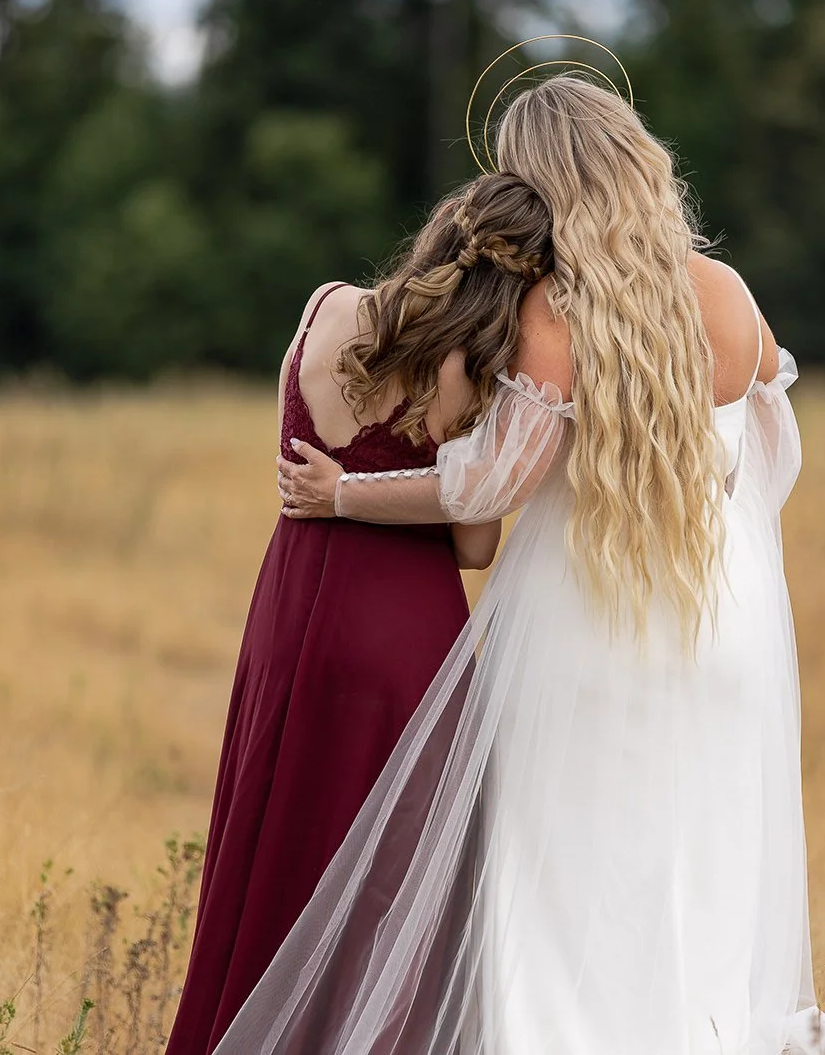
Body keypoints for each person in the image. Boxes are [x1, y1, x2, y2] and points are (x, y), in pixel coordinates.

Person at [242, 73, 825, 1053]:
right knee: (695, 868)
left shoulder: (550, 312)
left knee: (563, 892)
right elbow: (774, 448)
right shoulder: (727, 295)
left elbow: (488, 487)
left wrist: (344, 495)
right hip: (721, 626)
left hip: (589, 625)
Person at [163, 172, 557, 1055]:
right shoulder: (470, 375)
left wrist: (338, 492)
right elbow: (475, 545)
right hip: (400, 637)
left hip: (289, 610)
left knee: (271, 838)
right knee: (391, 883)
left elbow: (288, 462)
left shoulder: (322, 308)